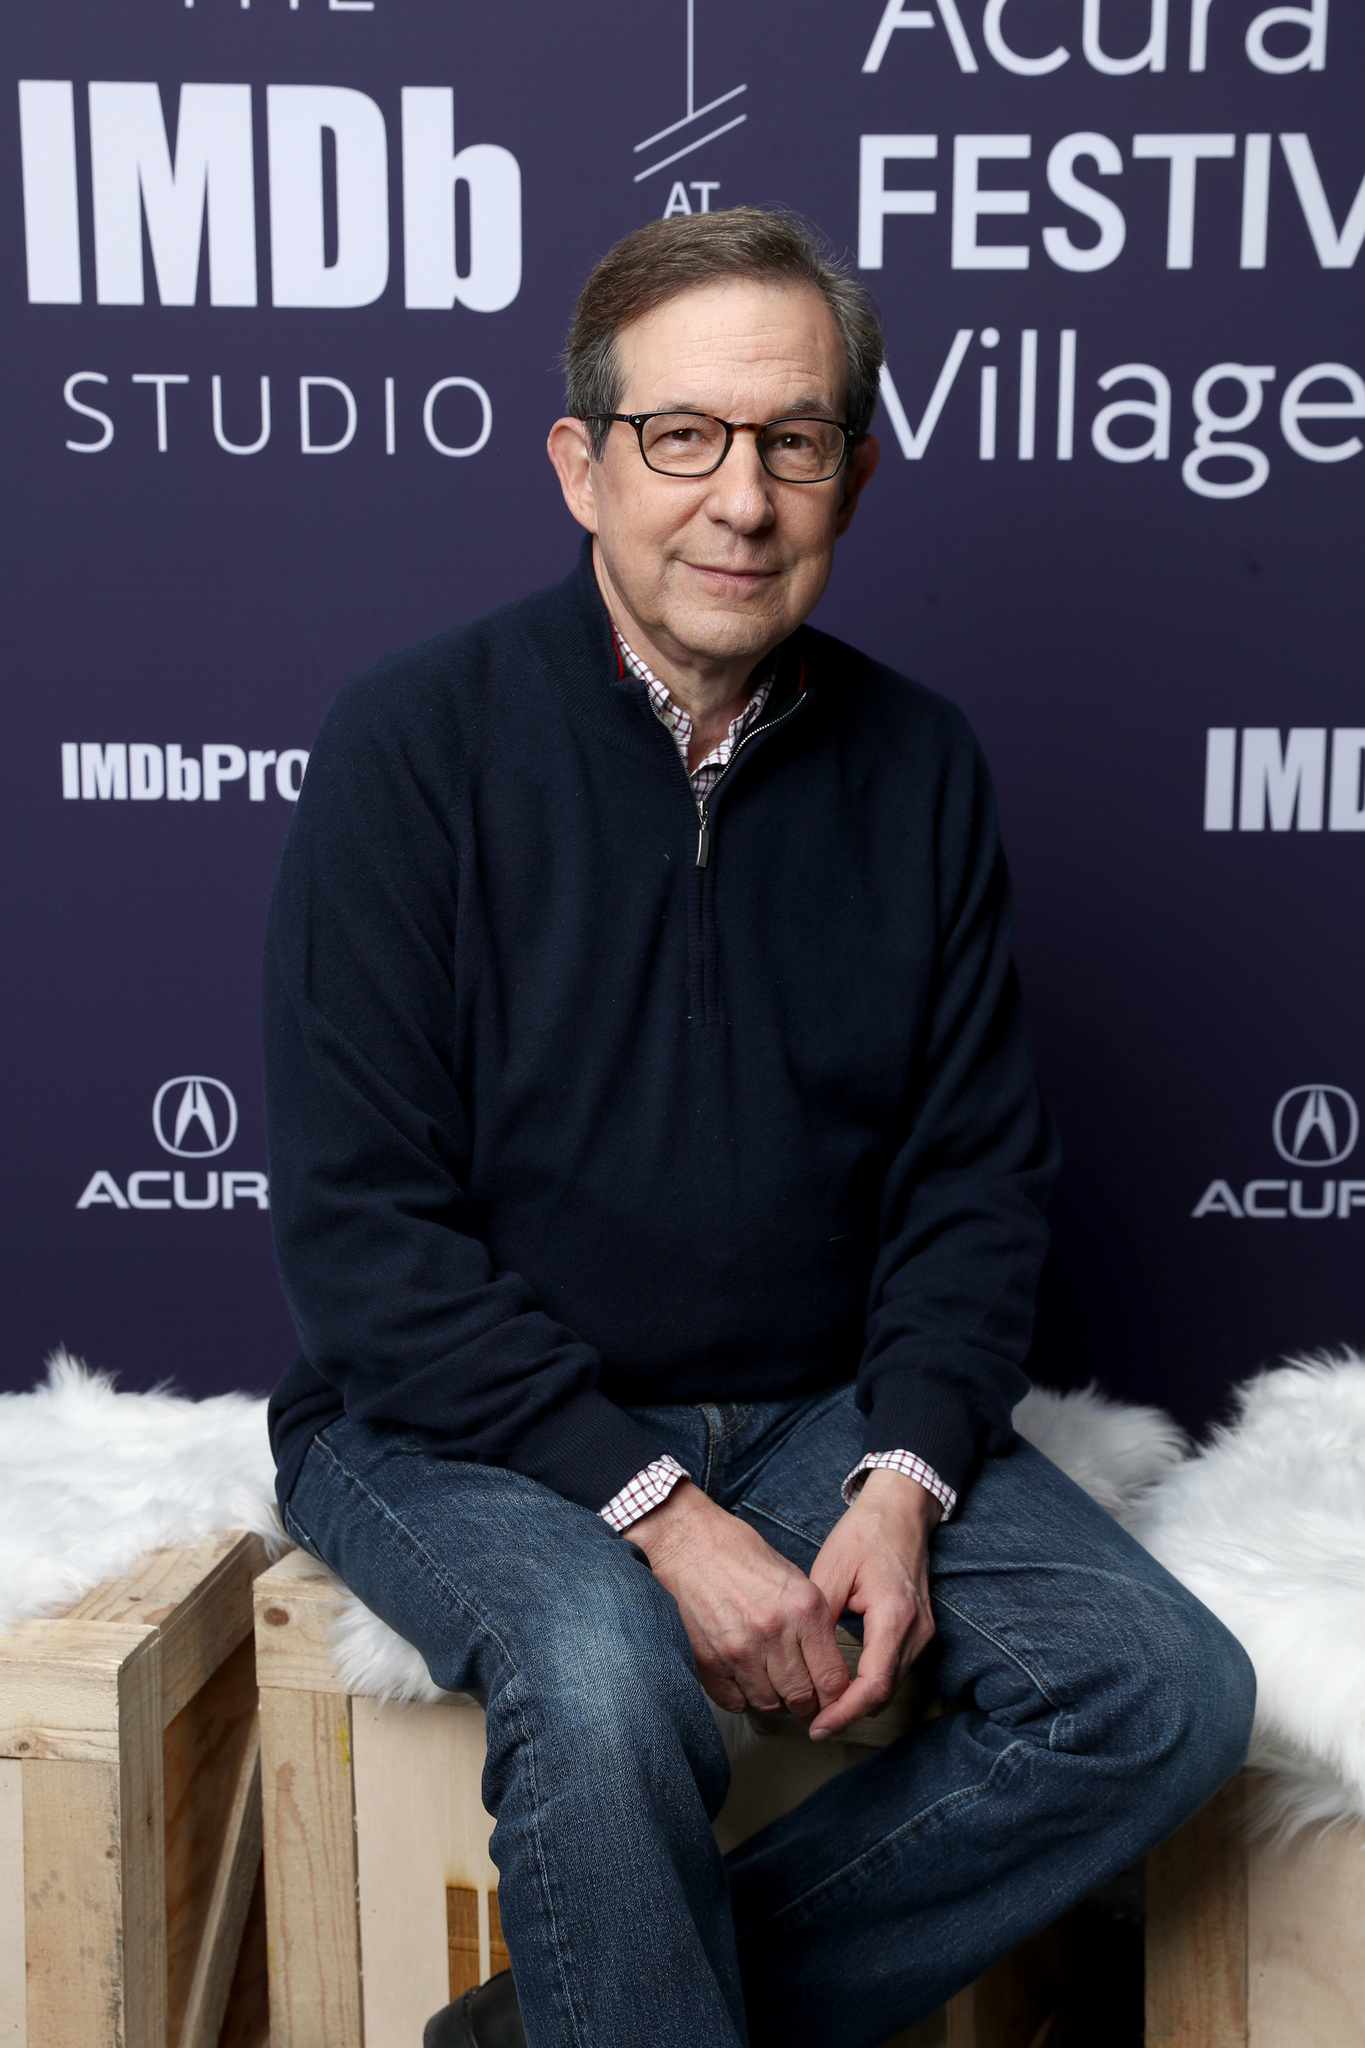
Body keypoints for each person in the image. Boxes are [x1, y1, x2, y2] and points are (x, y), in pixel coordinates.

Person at [262, 208, 1254, 2048]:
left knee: (1153, 1692)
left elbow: (970, 1179)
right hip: (453, 1424)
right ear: (581, 465)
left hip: (808, 1407)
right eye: (683, 437)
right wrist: (657, 1514)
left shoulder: (919, 761)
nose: (740, 499)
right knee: (600, 1676)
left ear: (852, 477)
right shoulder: (409, 742)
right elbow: (362, 1237)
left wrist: (905, 1473)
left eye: (793, 441)